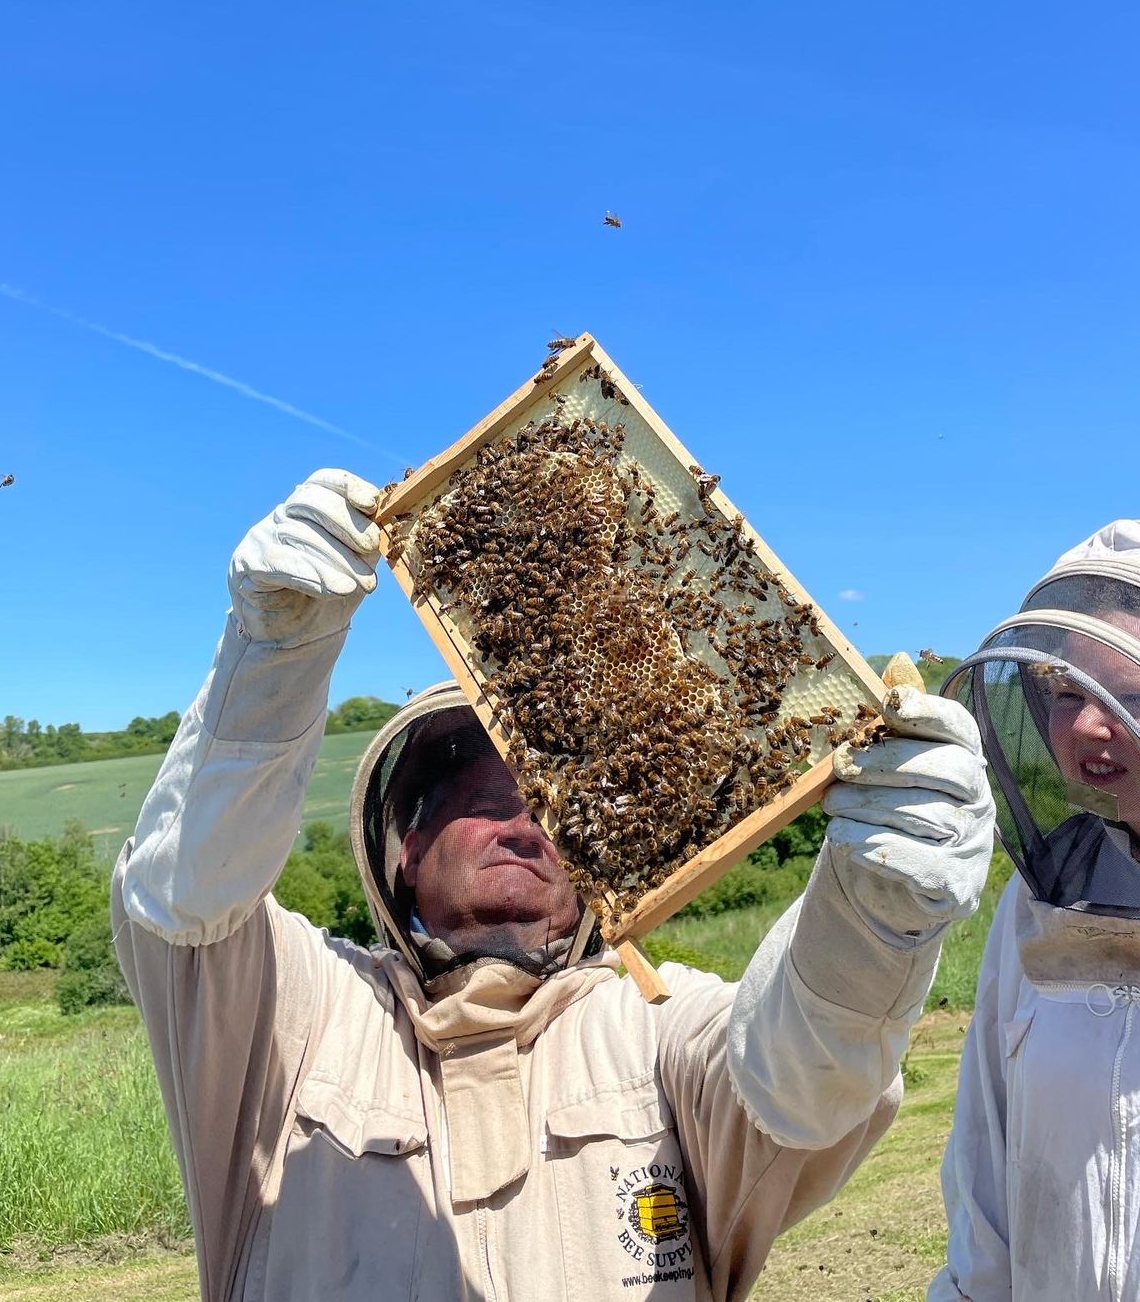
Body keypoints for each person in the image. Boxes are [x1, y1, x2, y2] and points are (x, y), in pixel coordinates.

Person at [113, 469, 994, 1302]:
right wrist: (270, 663)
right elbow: (184, 902)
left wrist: (874, 914)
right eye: (478, 796)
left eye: (559, 804)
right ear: (405, 843)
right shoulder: (297, 1009)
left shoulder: (653, 1028)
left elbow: (804, 1081)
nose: (526, 821)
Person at [930, 520, 1140, 1302]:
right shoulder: (1040, 896)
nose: (1087, 725)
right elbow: (985, 1168)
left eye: (1130, 695)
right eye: (1064, 691)